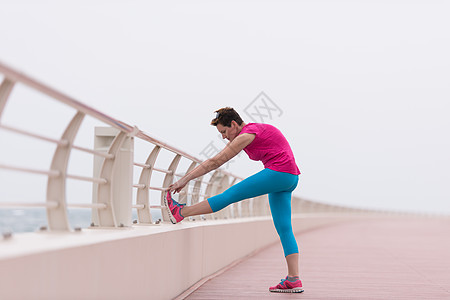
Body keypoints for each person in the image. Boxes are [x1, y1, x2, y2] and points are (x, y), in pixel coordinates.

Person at [165, 107, 304, 293]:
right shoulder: (254, 130)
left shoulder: (247, 135)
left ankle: (180, 212)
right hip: (290, 178)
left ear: (233, 124)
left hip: (279, 173)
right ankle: (293, 279)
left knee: (229, 195)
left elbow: (215, 162)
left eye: (223, 131)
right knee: (284, 229)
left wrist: (185, 179)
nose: (223, 137)